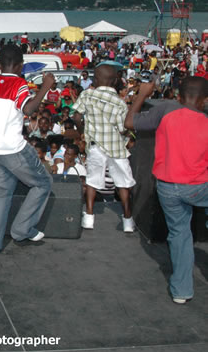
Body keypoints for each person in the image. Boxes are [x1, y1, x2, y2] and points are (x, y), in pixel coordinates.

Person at [124, 76, 208, 304]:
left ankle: (181, 291)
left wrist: (142, 94)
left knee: (180, 234)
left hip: (168, 187)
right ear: (205, 101)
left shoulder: (166, 111)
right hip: (200, 186)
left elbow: (130, 123)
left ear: (178, 97)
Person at [0, 44, 54, 255]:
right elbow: (28, 109)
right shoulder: (20, 84)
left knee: (3, 194)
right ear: (21, 66)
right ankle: (21, 229)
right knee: (43, 183)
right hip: (13, 148)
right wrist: (46, 86)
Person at [72, 64, 135, 232]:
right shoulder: (120, 103)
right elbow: (123, 128)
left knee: (92, 181)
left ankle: (89, 218)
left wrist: (82, 132)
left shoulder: (87, 95)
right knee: (123, 183)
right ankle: (128, 221)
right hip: (116, 147)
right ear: (115, 81)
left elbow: (76, 117)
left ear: (94, 79)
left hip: (96, 146)